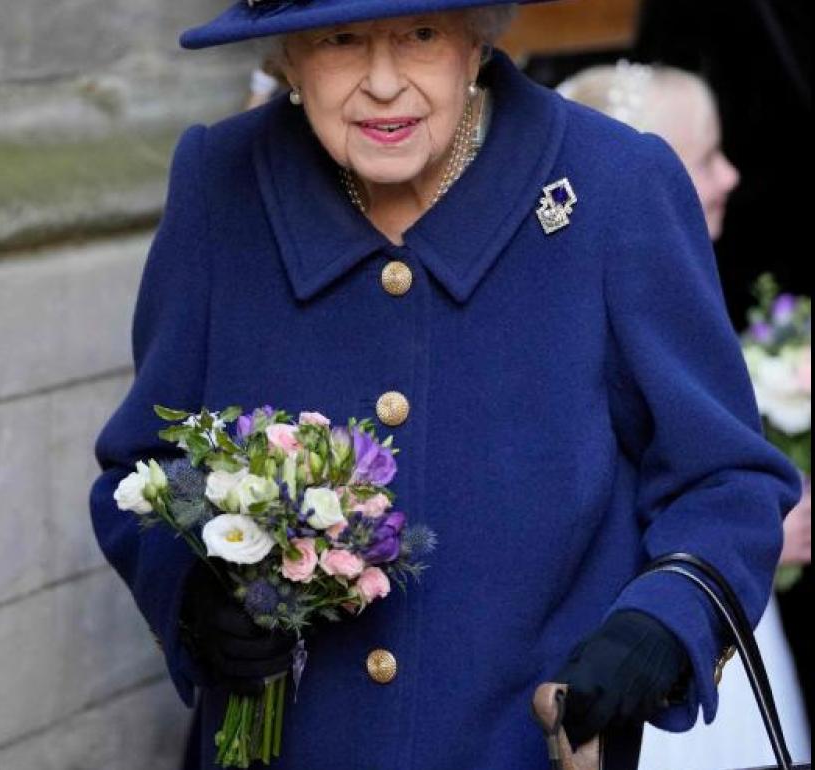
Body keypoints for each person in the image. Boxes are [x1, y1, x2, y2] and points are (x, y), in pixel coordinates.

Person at [86, 1, 803, 768]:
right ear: (288, 60)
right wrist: (195, 601)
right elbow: (146, 471)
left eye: (420, 35)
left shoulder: (615, 186)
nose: (384, 83)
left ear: (477, 40)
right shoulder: (219, 181)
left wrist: (661, 627)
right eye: (341, 40)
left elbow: (727, 479)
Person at [559, 60, 813, 769]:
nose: (730, 176)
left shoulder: (696, 282)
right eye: (704, 160)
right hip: (650, 647)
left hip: (729, 612)